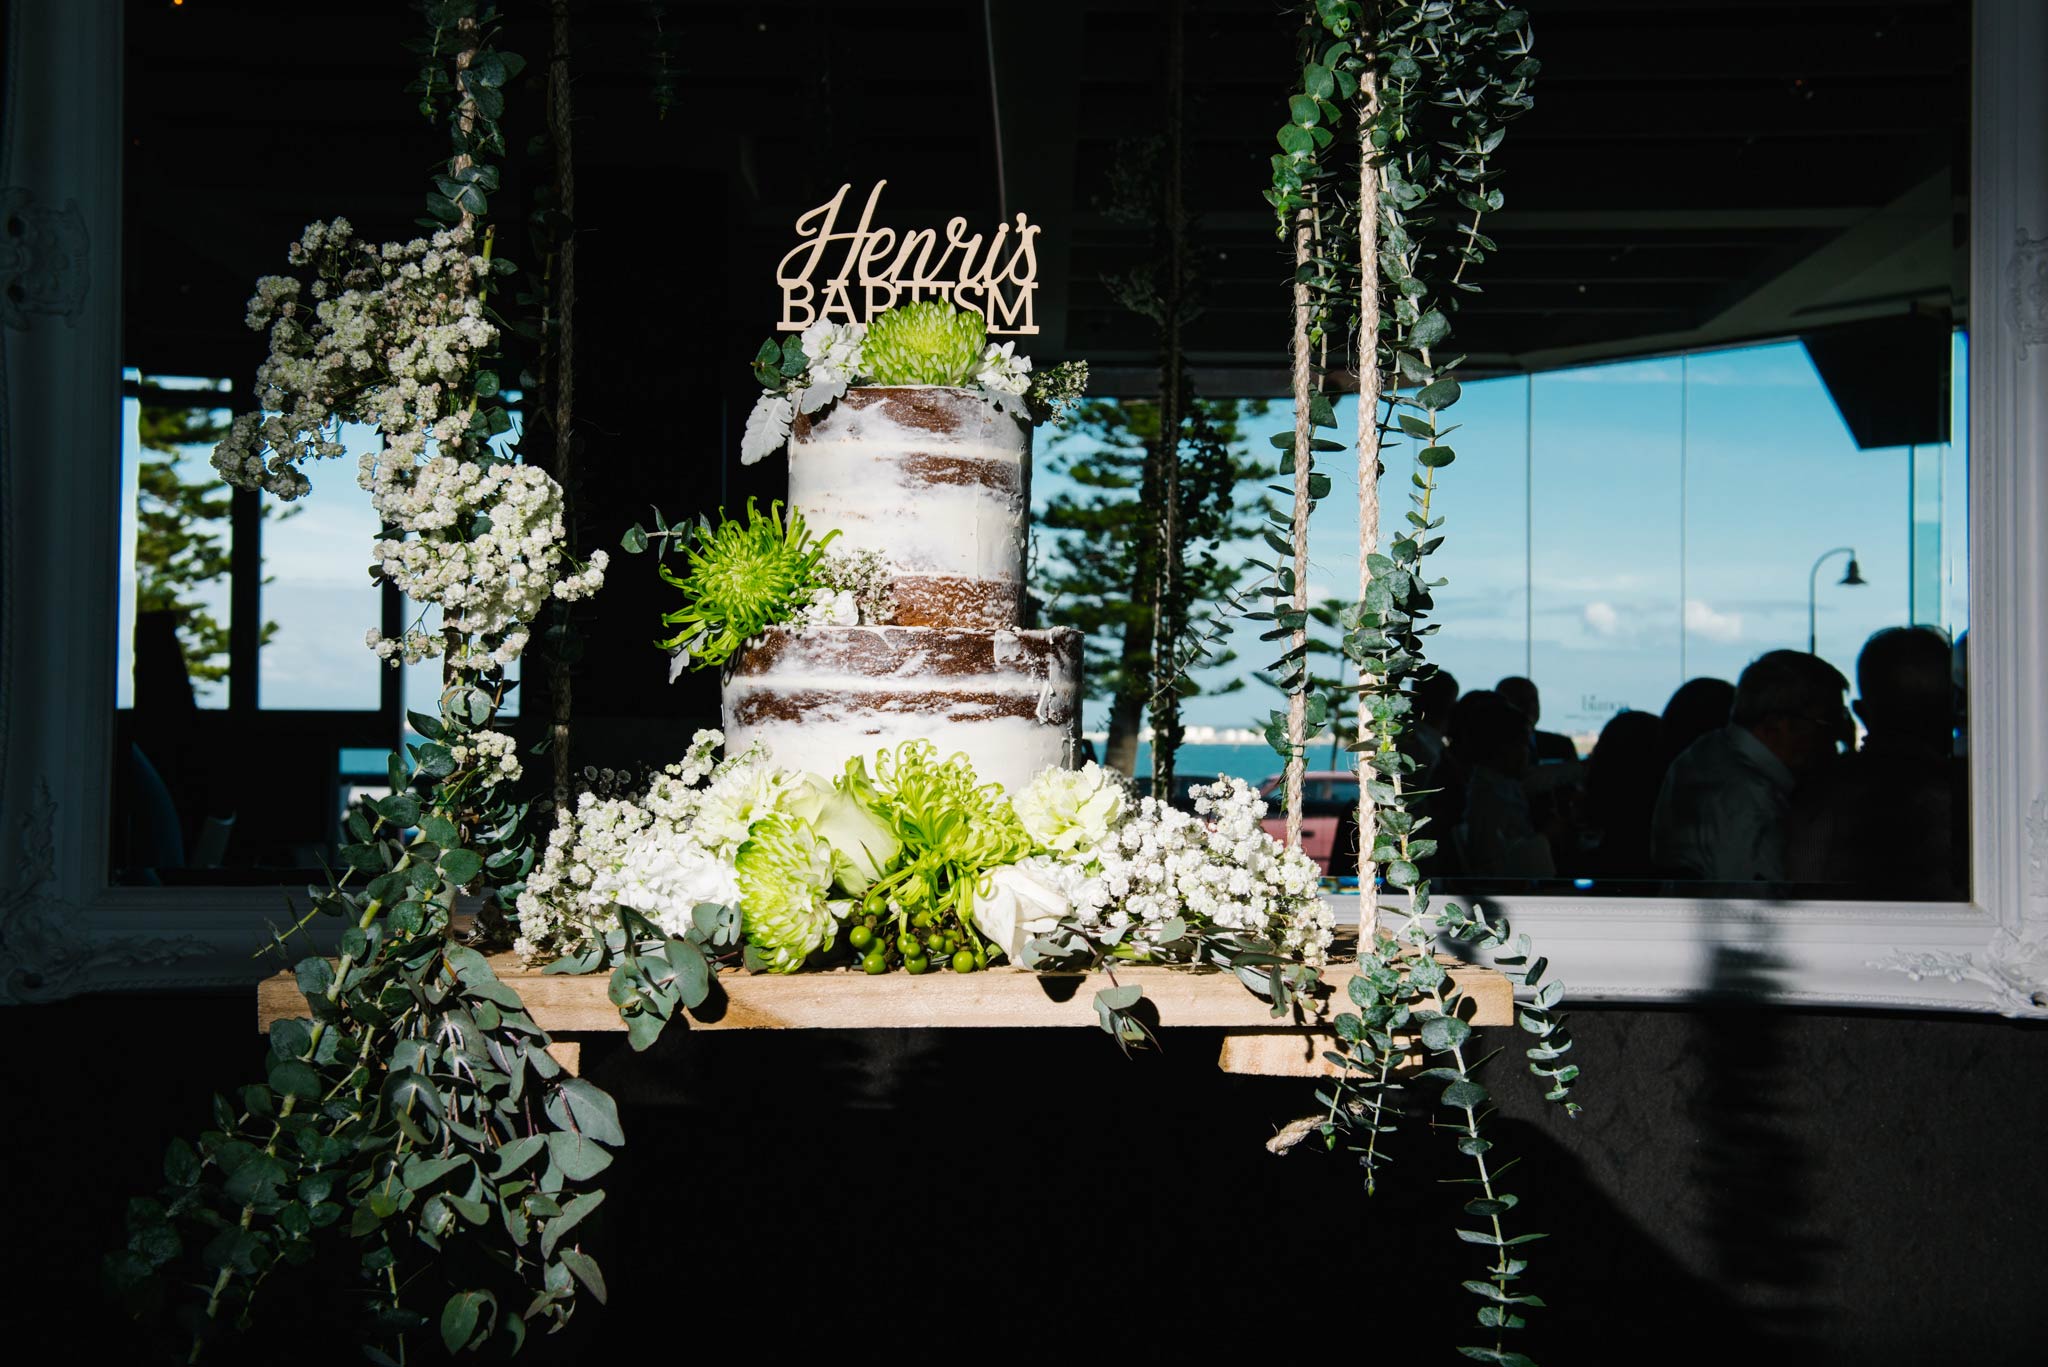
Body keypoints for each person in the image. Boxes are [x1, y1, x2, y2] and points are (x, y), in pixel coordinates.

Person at [1787, 626, 1964, 897]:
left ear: (1860, 711)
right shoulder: (1972, 797)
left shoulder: (1821, 792)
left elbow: (1803, 882)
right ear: (1954, 705)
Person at [1650, 650, 1849, 883]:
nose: (1835, 737)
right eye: (1826, 722)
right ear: (1777, 724)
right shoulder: (1749, 801)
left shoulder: (1706, 754)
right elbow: (1764, 907)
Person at [1457, 691, 1557, 878]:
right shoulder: (1490, 796)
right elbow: (1499, 863)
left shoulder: (1495, 785)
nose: (1528, 754)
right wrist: (1548, 836)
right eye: (1525, 745)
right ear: (1506, 748)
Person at [1496, 676, 1580, 762]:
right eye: (1521, 700)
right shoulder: (1490, 748)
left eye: (1534, 700)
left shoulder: (1562, 745)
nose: (1531, 706)